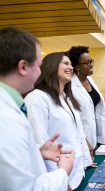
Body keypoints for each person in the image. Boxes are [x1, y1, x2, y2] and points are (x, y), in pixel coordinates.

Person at [0, 26, 74, 191]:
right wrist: (63, 171)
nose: (41, 72)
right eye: (39, 65)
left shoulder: (11, 106)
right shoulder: (5, 117)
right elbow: (23, 188)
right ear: (23, 67)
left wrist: (37, 153)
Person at [24, 52, 93, 190]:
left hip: (77, 173)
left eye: (71, 64)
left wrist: (86, 160)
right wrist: (56, 180)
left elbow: (78, 134)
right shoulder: (37, 98)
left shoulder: (67, 99)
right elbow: (40, 144)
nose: (71, 67)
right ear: (52, 66)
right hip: (57, 177)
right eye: (66, 63)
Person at [68, 46, 105, 153]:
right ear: (77, 66)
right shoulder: (70, 86)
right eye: (87, 63)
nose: (91, 65)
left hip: (96, 136)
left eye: (91, 61)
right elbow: (72, 119)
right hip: (82, 139)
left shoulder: (90, 80)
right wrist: (84, 140)